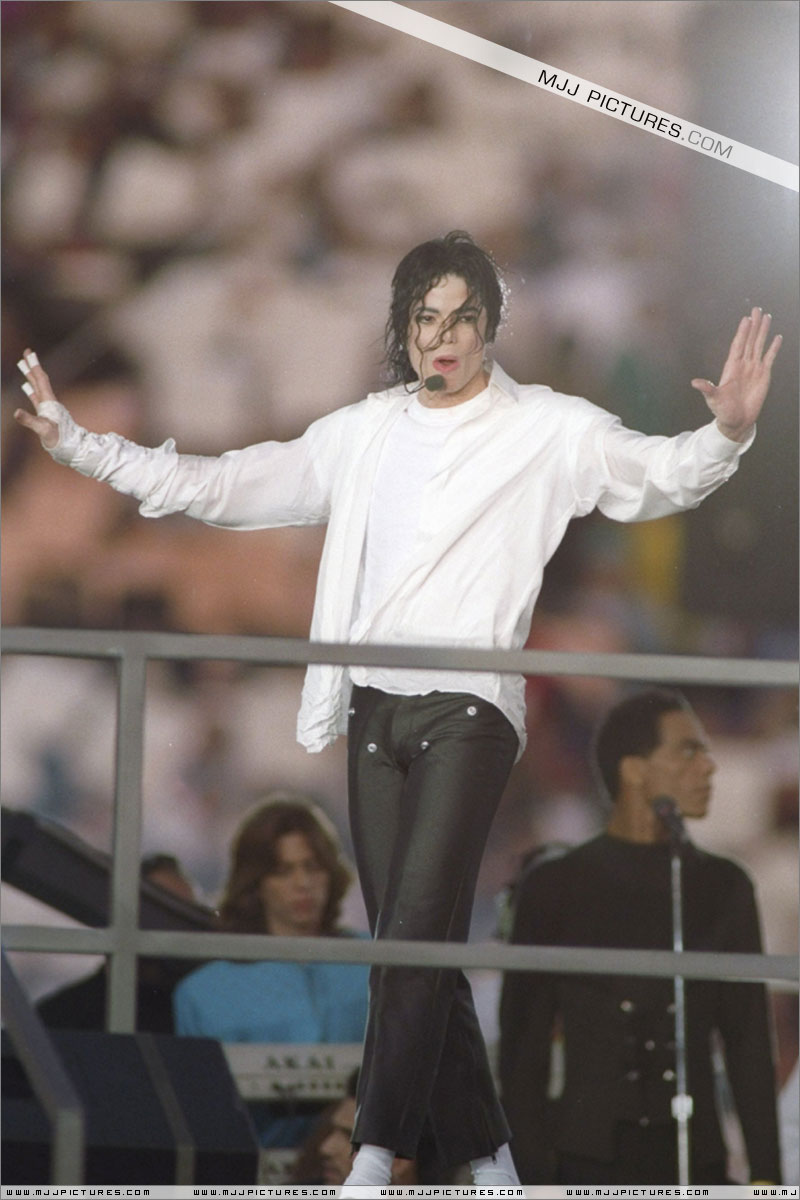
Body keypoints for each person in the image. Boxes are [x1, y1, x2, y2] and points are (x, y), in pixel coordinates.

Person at [14, 230, 781, 1188]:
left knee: (411, 938)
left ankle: (374, 1153)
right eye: (425, 318)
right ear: (403, 328)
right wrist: (83, 448)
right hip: (373, 710)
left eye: (461, 318)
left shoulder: (549, 426)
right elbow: (218, 486)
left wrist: (726, 436)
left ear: (490, 325)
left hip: (471, 709)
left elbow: (654, 474)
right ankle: (492, 1161)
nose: (442, 337)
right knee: (412, 947)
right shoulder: (363, 432)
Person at [499, 687, 783, 1185]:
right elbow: (524, 1049)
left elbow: (749, 1041)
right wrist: (535, 1178)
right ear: (634, 770)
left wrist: (766, 1179)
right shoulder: (556, 884)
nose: (709, 767)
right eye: (688, 752)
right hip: (585, 1161)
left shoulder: (724, 885)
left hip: (696, 1160)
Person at [171, 794, 369, 1150]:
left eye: (313, 867)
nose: (303, 883)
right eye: (283, 871)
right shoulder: (204, 992)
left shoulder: (374, 962)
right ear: (256, 882)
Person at [36, 852, 199, 1033]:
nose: (175, 927)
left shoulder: (194, 1010)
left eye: (186, 915)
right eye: (161, 911)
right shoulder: (62, 1015)